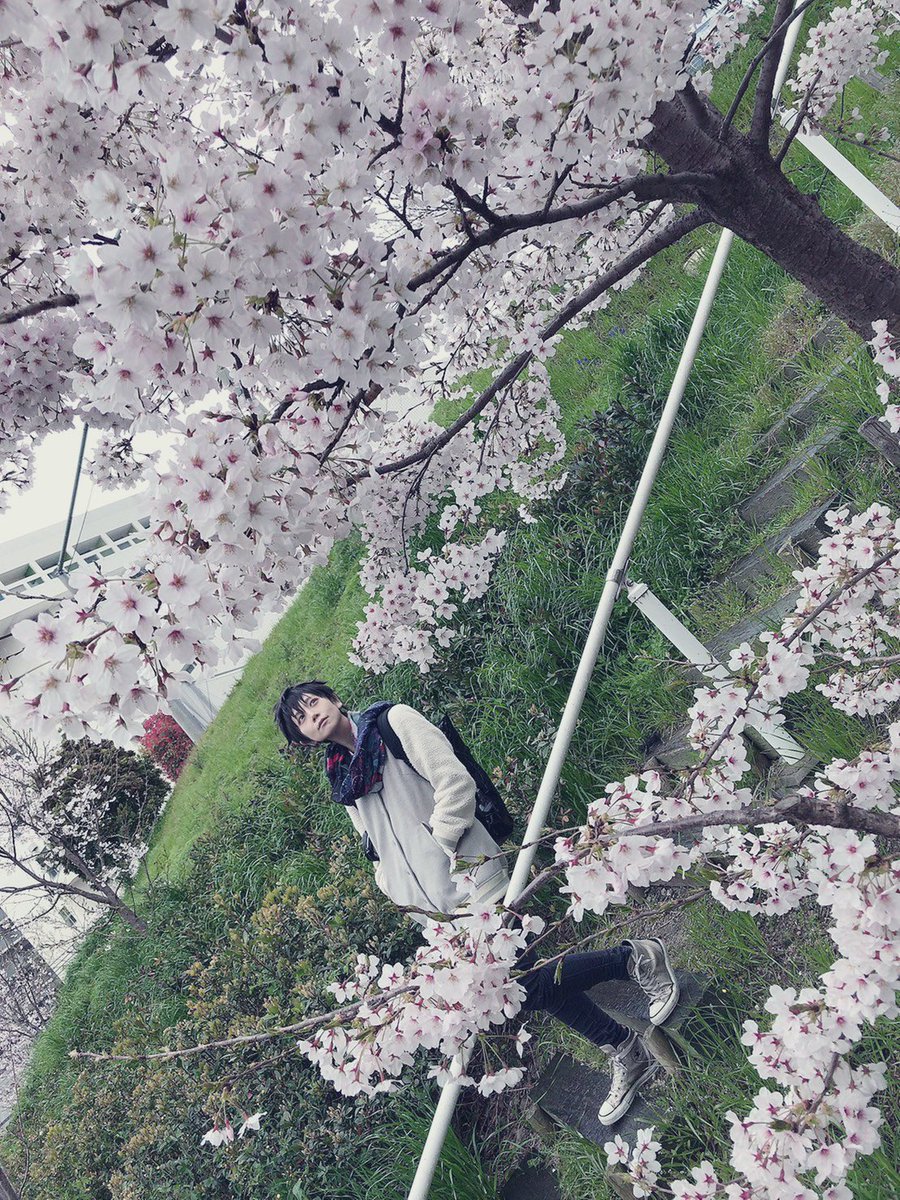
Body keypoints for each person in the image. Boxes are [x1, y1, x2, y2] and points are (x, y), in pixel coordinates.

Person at [274, 681, 681, 1125]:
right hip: (437, 912)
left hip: (474, 877)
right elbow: (374, 848)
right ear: (304, 739)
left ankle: (633, 963)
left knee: (525, 985)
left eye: (313, 702)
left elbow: (453, 781)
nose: (312, 715)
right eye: (301, 719)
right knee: (526, 984)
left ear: (334, 699)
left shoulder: (393, 722)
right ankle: (623, 1041)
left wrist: (443, 843)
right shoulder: (342, 780)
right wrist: (394, 888)